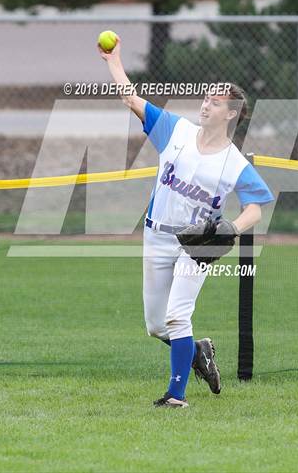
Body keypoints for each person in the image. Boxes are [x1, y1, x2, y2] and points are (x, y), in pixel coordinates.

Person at [99, 35, 274, 408]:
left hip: (197, 244)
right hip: (156, 236)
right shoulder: (175, 131)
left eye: (215, 102)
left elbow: (257, 204)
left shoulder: (234, 163)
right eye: (206, 98)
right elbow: (131, 99)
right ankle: (199, 352)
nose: (206, 104)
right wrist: (113, 61)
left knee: (178, 315)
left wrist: (231, 229)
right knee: (156, 325)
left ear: (231, 113)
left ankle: (175, 397)